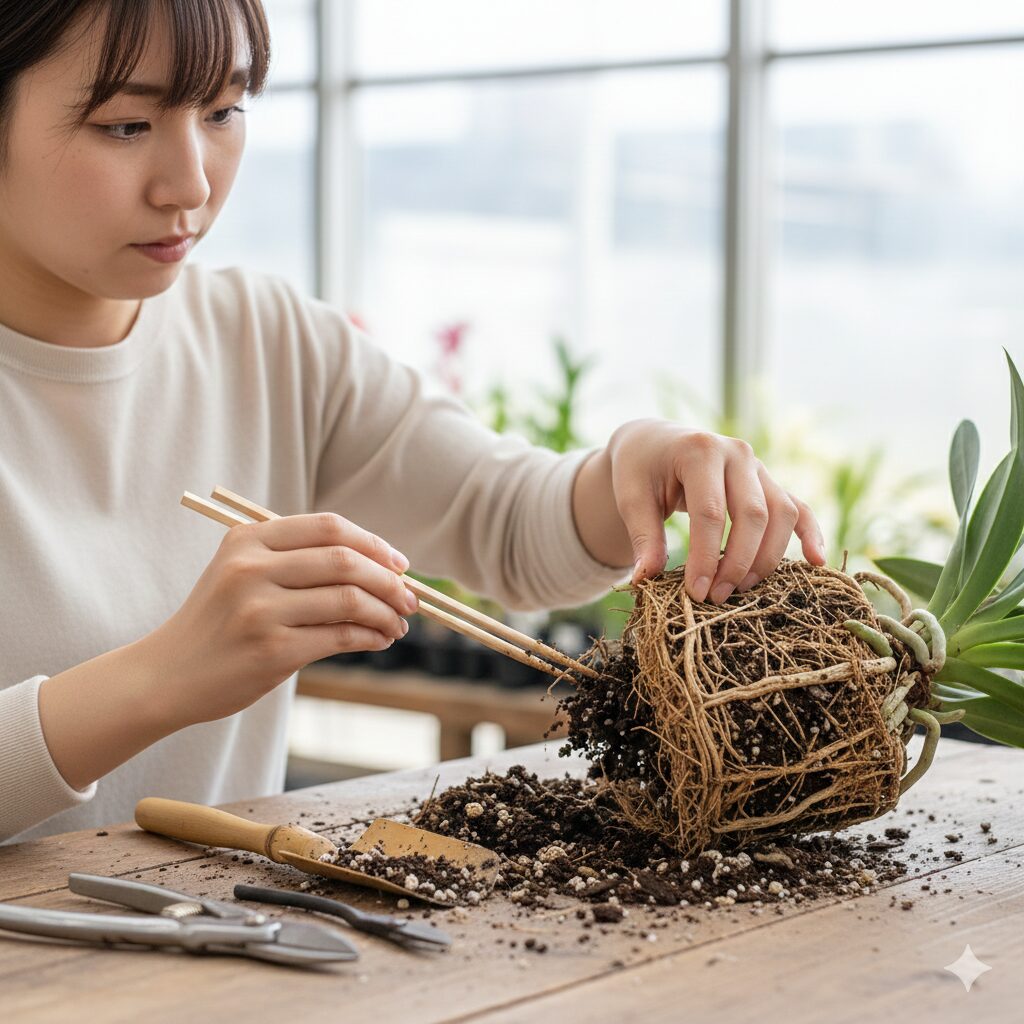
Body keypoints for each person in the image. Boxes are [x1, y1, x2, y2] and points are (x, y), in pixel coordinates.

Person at [0, 0, 826, 844]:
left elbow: (500, 518)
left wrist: (635, 465)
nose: (193, 184)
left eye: (222, 111)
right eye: (127, 125)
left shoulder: (265, 338)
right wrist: (161, 678)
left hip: (220, 954)